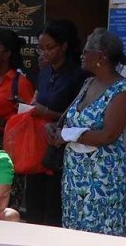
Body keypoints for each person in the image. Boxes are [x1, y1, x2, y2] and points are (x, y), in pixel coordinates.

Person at [46, 28, 126, 236]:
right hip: (75, 175)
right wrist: (55, 128)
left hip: (101, 177)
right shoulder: (88, 83)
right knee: (73, 230)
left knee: (100, 232)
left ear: (101, 56)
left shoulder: (122, 91)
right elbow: (69, 119)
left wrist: (67, 135)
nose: (81, 55)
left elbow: (108, 135)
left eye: (86, 52)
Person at [21, 19, 86, 226]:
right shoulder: (45, 72)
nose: (44, 53)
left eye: (49, 48)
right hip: (39, 145)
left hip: (63, 150)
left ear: (64, 46)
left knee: (54, 208)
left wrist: (47, 113)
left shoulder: (79, 75)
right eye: (40, 48)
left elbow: (79, 117)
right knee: (33, 204)